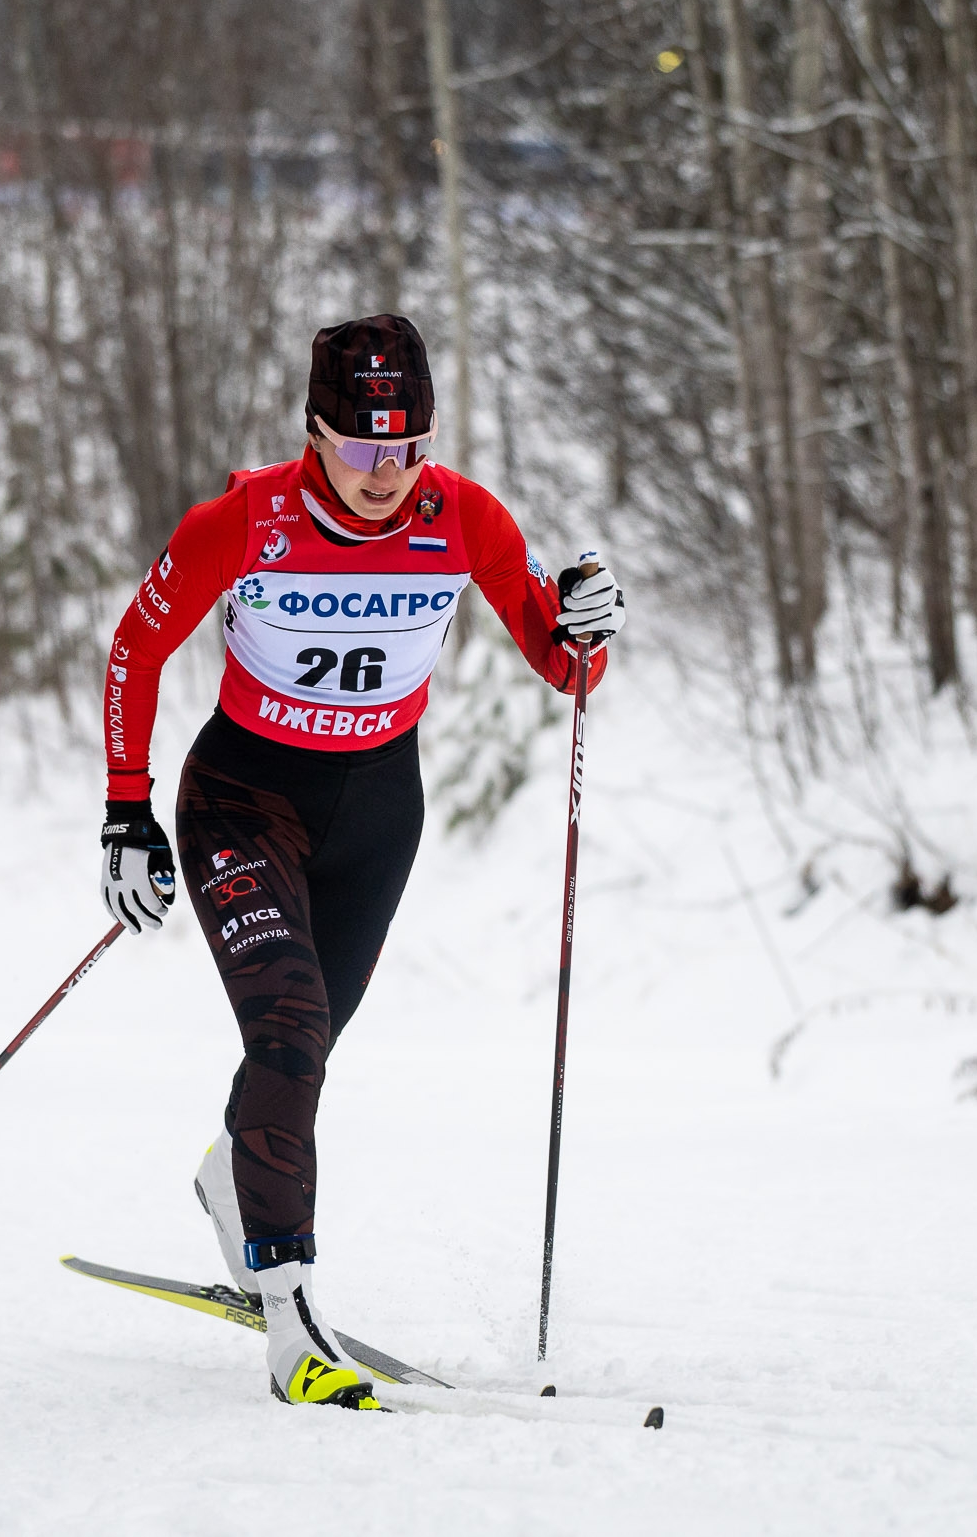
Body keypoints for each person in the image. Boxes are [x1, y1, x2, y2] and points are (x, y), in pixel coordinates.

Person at [96, 314, 626, 1409]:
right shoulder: (244, 521)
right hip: (242, 801)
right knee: (288, 1032)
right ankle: (290, 1315)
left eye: (409, 449)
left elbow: (563, 665)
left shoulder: (465, 517)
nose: (387, 474)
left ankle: (231, 1173)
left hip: (379, 812)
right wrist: (124, 812)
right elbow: (137, 648)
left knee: (304, 1049)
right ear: (314, 431)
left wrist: (588, 621)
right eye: (362, 447)